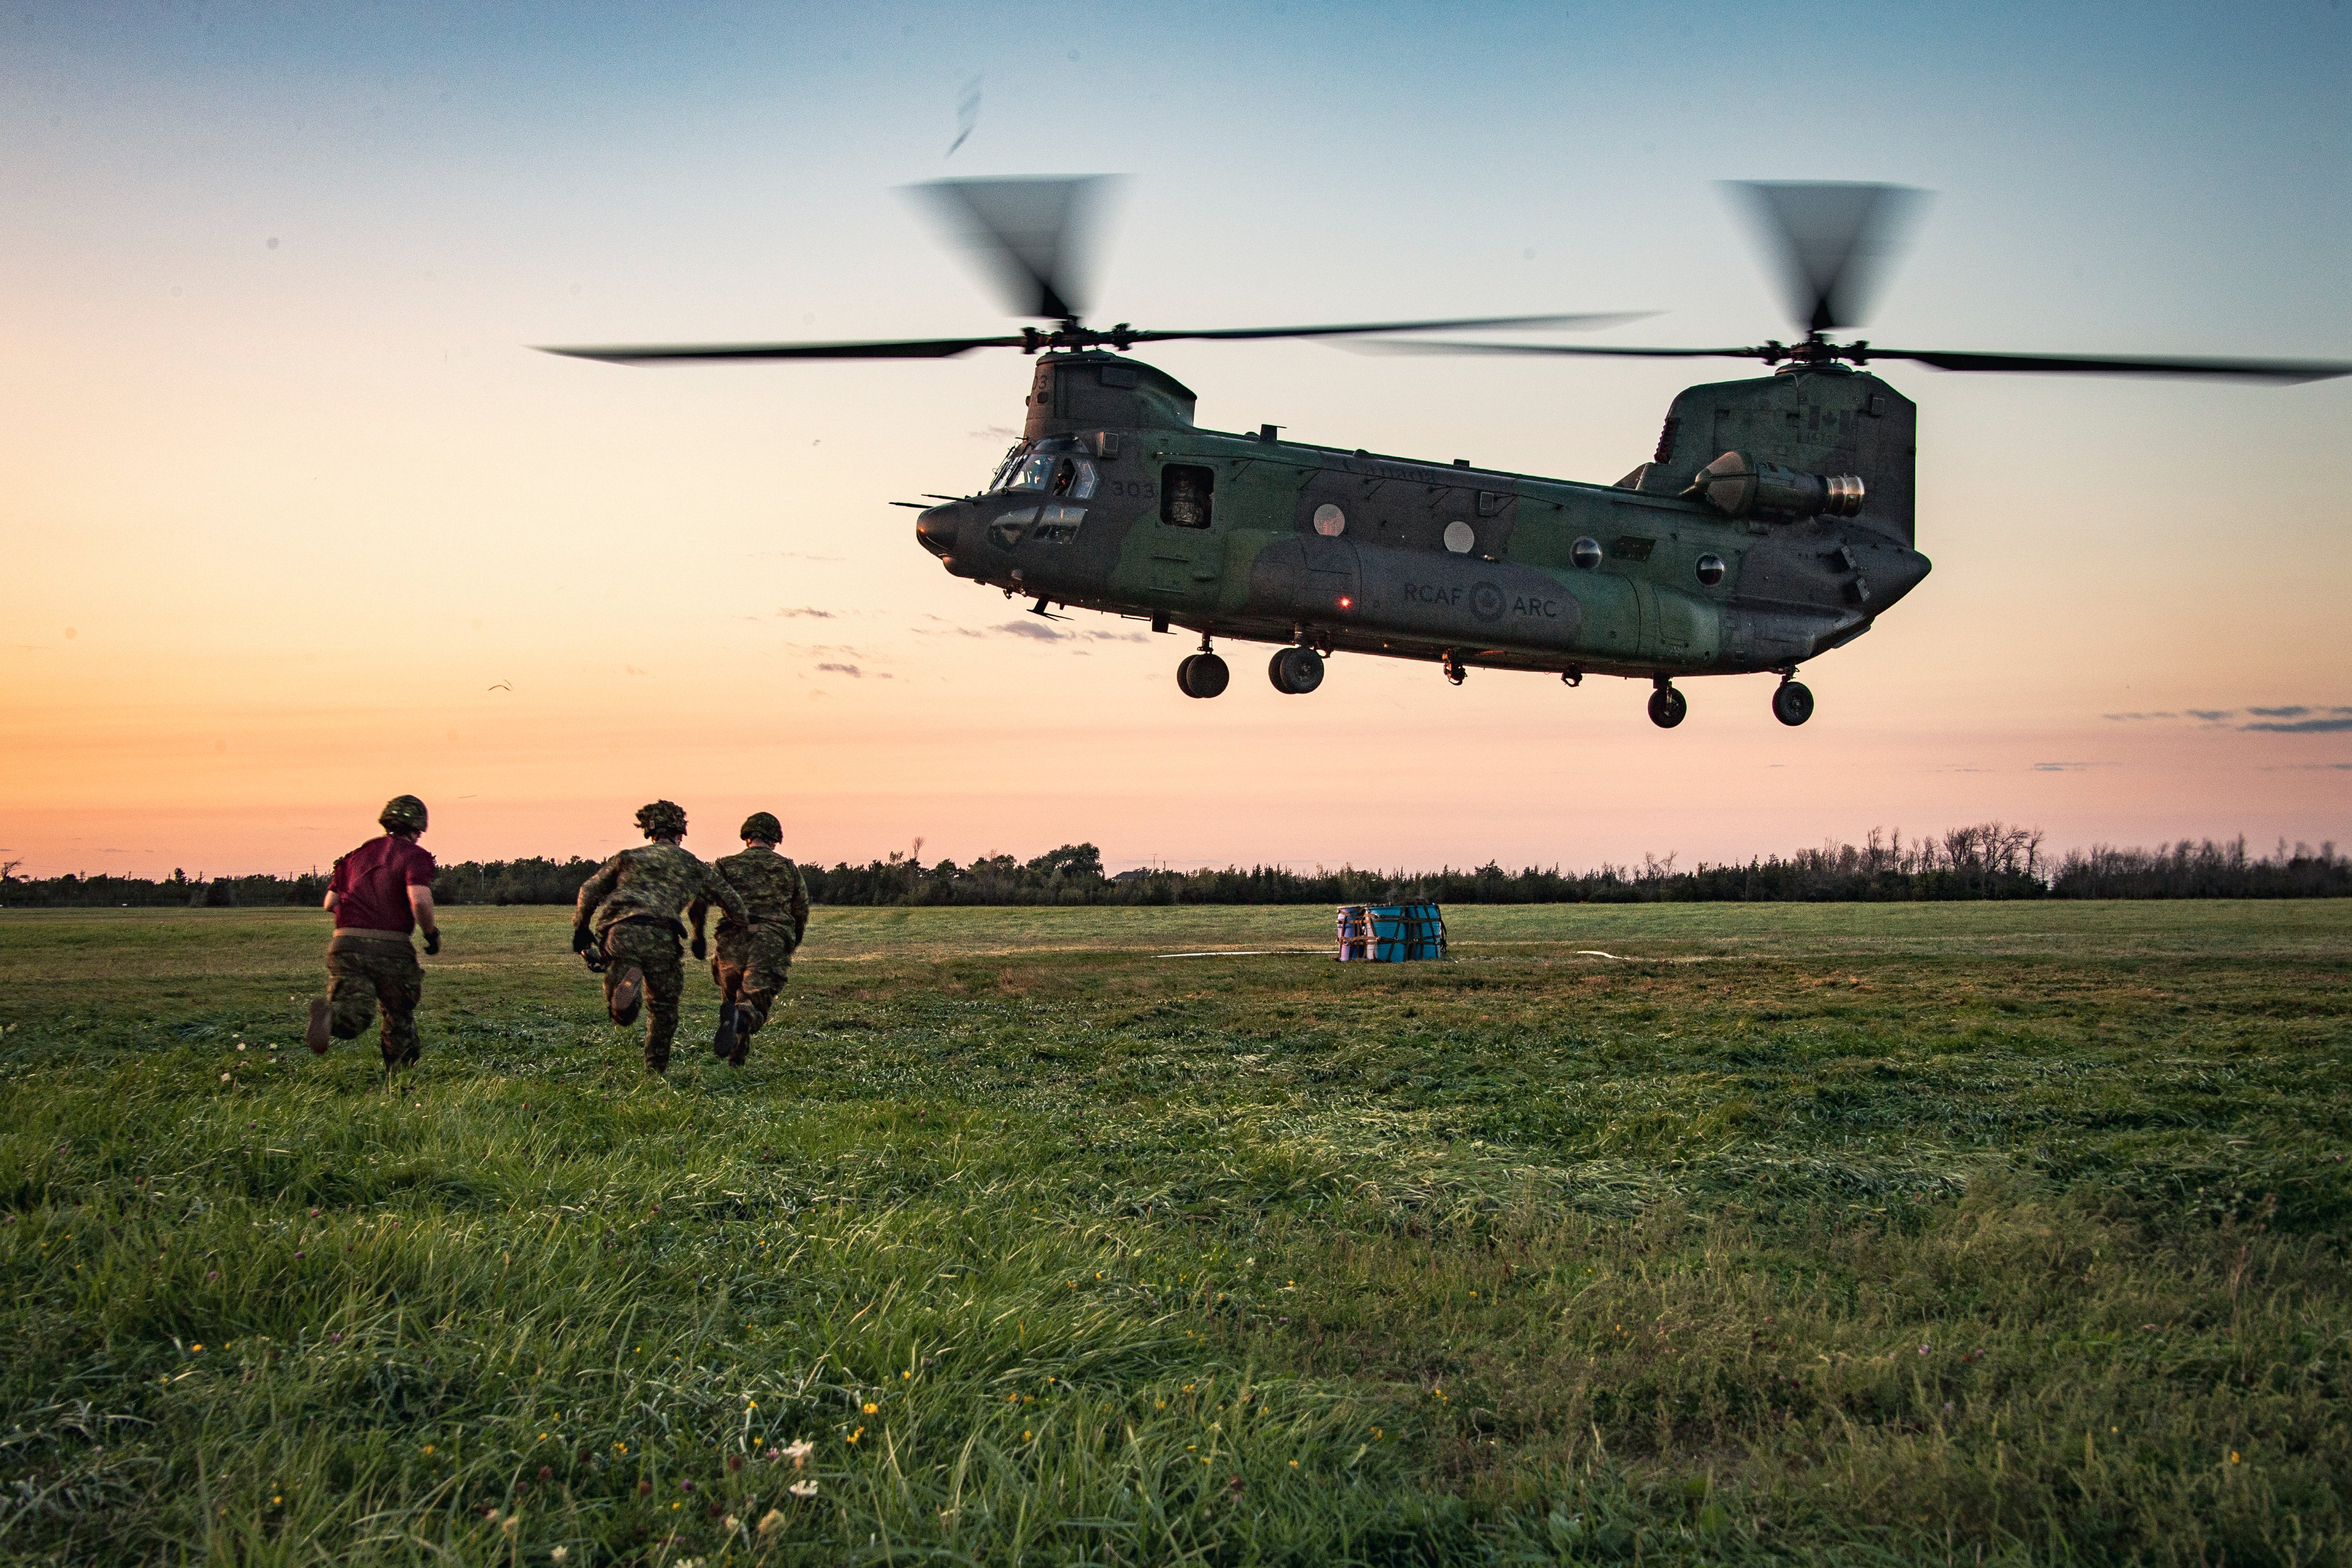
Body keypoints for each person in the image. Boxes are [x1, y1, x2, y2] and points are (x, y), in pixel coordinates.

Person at [571, 800, 748, 1074]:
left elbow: (589, 890)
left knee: (624, 1015)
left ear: (649, 832)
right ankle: (655, 1072)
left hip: (621, 932)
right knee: (663, 1010)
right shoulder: (691, 864)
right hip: (661, 934)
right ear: (680, 834)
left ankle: (625, 1000)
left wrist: (581, 929)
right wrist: (739, 928)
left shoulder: (627, 858)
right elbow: (732, 901)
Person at [306, 794, 440, 1068]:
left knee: (352, 1015)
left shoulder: (356, 856)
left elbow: (329, 903)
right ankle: (400, 1073)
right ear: (417, 829)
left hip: (345, 945)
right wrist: (431, 934)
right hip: (391, 948)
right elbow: (420, 899)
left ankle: (330, 1017)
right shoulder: (414, 856)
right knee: (398, 1012)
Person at [691, 811, 810, 1065]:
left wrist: (697, 936)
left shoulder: (725, 865)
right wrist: (791, 942)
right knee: (751, 1005)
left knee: (733, 1001)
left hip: (731, 942)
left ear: (747, 838)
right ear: (774, 840)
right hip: (769, 940)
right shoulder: (787, 867)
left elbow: (700, 898)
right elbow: (801, 910)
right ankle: (741, 1023)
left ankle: (736, 1060)